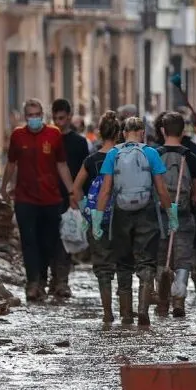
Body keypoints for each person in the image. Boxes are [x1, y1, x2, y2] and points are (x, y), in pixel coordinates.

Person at [92, 116, 175, 327]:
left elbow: (105, 190)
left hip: (121, 212)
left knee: (123, 263)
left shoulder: (113, 154)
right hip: (146, 211)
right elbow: (161, 189)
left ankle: (126, 314)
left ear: (123, 133)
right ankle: (143, 309)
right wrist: (171, 214)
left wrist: (97, 219)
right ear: (142, 133)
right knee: (146, 261)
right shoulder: (150, 153)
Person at [1, 98, 75, 302]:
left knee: (48, 242)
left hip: (50, 198)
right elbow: (11, 164)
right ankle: (33, 282)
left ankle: (45, 280)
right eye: (30, 115)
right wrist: (4, 186)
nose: (33, 119)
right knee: (29, 242)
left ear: (42, 115)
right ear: (25, 117)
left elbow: (62, 165)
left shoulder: (53, 135)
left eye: (37, 115)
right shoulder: (18, 136)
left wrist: (71, 191)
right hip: (25, 198)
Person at [72, 111, 121, 323]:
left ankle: (108, 311)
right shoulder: (123, 157)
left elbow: (76, 189)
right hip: (123, 217)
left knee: (102, 267)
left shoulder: (91, 161)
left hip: (97, 219)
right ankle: (128, 312)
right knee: (125, 264)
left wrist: (85, 210)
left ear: (99, 133)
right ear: (119, 133)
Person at [155, 112, 196, 317]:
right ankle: (179, 299)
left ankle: (162, 300)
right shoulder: (190, 155)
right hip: (183, 213)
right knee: (183, 258)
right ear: (183, 132)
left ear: (162, 131)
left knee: (160, 258)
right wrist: (193, 200)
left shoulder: (154, 154)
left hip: (158, 214)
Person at [49, 99, 90, 298]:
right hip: (48, 195)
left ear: (69, 116)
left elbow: (86, 170)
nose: (59, 122)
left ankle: (62, 280)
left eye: (62, 118)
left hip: (69, 196)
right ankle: (52, 277)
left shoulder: (79, 142)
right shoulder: (48, 139)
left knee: (66, 238)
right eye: (56, 118)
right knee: (49, 238)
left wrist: (80, 194)